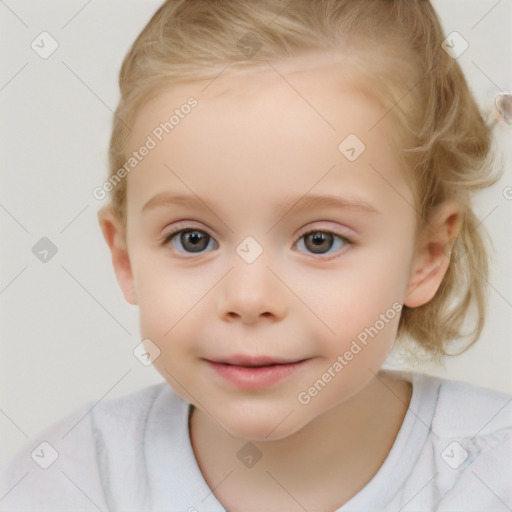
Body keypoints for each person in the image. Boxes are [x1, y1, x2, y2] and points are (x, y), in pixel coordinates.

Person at [1, 1, 511, 510]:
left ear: (427, 255)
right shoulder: (68, 482)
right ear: (126, 256)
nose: (249, 298)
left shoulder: (490, 473)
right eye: (193, 239)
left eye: (320, 240)